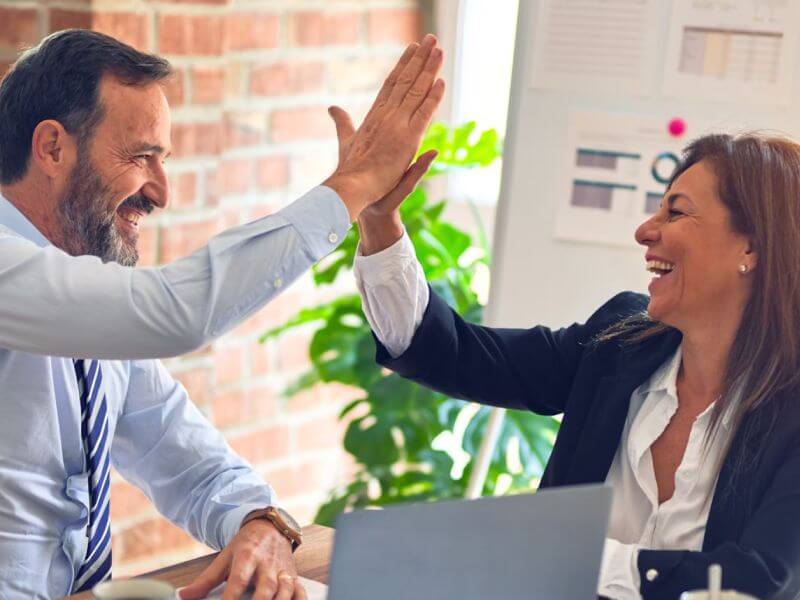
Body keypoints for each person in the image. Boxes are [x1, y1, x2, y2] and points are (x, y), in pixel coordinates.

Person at [0, 29, 443, 599]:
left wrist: (259, 522)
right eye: (141, 158)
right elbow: (174, 313)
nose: (161, 192)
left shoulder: (87, 300)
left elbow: (181, 453)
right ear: (53, 147)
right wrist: (351, 187)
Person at [352, 132, 800, 600]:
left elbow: (762, 582)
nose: (645, 231)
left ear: (751, 248)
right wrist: (378, 219)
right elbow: (455, 354)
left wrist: (569, 557)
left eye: (677, 211)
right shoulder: (619, 343)